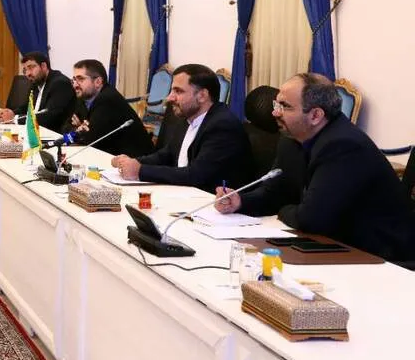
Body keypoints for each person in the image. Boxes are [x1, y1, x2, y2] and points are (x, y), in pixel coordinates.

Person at [214, 73, 415, 263]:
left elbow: (311, 220)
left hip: (380, 256)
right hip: (333, 245)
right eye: (277, 104)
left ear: (316, 115)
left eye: (285, 106)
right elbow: (274, 192)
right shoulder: (291, 139)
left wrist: (283, 209)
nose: (275, 112)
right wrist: (240, 201)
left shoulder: (343, 146)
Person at [111, 63, 252, 192]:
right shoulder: (188, 116)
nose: (169, 98)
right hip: (185, 193)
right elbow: (166, 155)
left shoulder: (223, 126)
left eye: (178, 91)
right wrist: (133, 162)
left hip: (211, 202)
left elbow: (196, 175)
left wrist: (140, 171)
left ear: (202, 96)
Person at [65, 59, 154, 157]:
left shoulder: (107, 100)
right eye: (74, 79)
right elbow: (65, 127)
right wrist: (78, 129)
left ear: (98, 82)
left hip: (136, 160)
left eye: (80, 79)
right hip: (109, 155)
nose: (75, 84)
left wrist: (78, 131)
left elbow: (91, 141)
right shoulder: (82, 97)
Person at [0, 52, 75, 133]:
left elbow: (49, 116)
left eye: (31, 68)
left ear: (43, 66)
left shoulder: (60, 83)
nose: (27, 74)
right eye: (25, 70)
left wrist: (14, 118)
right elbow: (27, 107)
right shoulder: (36, 82)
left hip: (54, 133)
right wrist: (12, 113)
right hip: (36, 130)